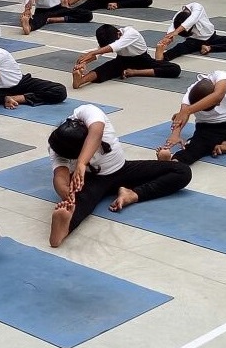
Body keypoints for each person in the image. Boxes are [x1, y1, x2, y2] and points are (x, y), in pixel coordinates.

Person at [47, 105, 191, 247]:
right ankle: (63, 230)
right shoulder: (58, 146)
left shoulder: (86, 112)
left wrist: (81, 163)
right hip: (93, 182)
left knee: (182, 171)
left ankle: (132, 194)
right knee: (76, 205)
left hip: (123, 170)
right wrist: (67, 194)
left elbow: (96, 131)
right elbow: (60, 176)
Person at [72, 24, 181, 89]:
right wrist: (84, 62)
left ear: (119, 34)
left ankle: (134, 72)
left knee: (174, 69)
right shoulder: (110, 39)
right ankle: (80, 81)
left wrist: (91, 53)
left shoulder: (130, 33)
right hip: (122, 61)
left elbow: (115, 46)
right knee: (104, 69)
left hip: (143, 61)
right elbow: (99, 52)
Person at [156, 3, 226, 61]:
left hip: (212, 38)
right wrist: (167, 38)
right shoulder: (178, 16)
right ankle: (161, 58)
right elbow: (172, 26)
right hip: (194, 41)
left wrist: (176, 32)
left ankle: (210, 48)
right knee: (179, 48)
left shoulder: (197, 7)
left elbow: (192, 20)